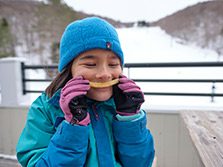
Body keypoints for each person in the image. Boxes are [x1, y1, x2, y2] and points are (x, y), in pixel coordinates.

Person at [16, 17, 155, 167]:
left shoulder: (124, 107)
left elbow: (141, 163)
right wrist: (73, 127)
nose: (105, 74)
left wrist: (130, 120)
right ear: (69, 69)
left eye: (113, 64)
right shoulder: (45, 109)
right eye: (90, 64)